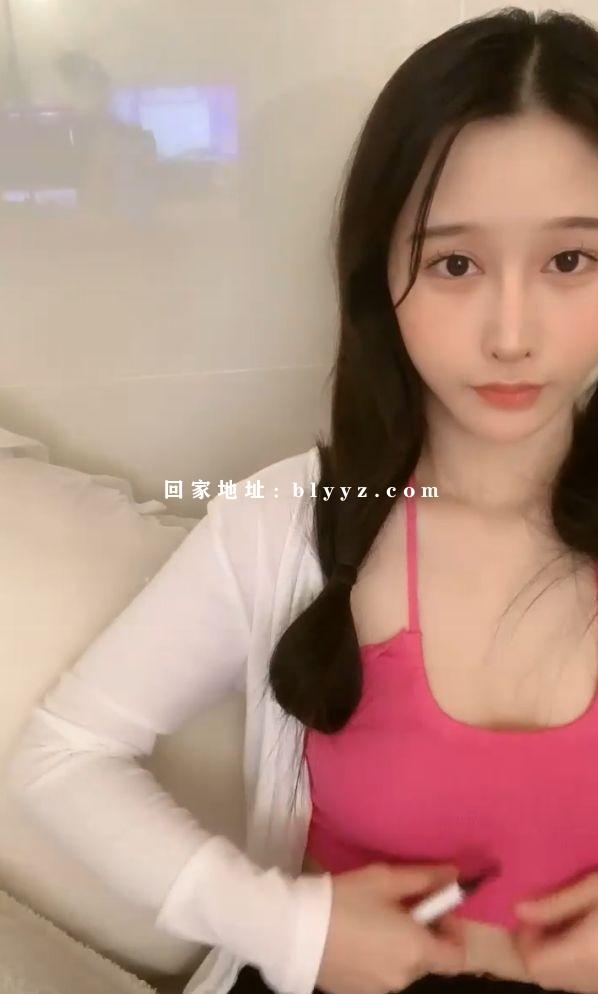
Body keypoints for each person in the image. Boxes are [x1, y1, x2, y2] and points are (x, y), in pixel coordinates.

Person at [6, 6, 598, 994]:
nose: (511, 333)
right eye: (454, 263)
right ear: (379, 277)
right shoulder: (287, 523)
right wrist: (290, 926)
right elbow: (62, 755)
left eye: (570, 261)